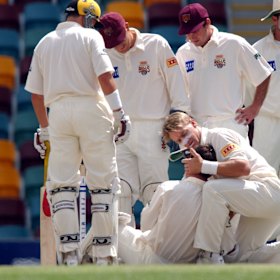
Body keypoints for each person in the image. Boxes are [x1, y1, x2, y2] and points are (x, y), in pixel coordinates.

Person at [25, 0, 130, 266]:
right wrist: (120, 114)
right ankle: (104, 255)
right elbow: (106, 78)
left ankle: (68, 253)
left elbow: (36, 94)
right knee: (103, 183)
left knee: (61, 186)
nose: (94, 26)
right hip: (91, 109)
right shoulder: (90, 36)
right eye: (93, 21)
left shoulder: (44, 42)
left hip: (58, 113)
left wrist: (44, 128)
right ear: (85, 17)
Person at [98, 12, 190, 225]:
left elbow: (176, 84)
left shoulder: (156, 44)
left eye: (120, 39)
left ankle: (157, 248)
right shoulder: (104, 52)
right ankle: (124, 252)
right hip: (120, 131)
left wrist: (179, 122)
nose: (118, 46)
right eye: (112, 42)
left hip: (154, 129)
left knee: (155, 191)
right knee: (121, 192)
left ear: (128, 26)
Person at [162, 112, 280, 264]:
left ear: (193, 123)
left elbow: (243, 168)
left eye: (185, 133)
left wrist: (203, 166)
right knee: (236, 259)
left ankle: (208, 255)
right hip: (256, 205)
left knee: (212, 189)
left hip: (270, 192)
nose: (185, 141)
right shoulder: (195, 155)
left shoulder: (218, 136)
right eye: (179, 140)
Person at [108, 145, 237, 264]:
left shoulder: (168, 187)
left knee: (107, 222)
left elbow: (146, 222)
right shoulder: (215, 201)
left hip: (150, 259)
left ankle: (95, 261)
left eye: (186, 160)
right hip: (185, 266)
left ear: (189, 164)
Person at [176, 3, 273, 139]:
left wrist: (255, 107)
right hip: (199, 127)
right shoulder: (183, 53)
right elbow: (179, 91)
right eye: (187, 32)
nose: (191, 37)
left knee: (236, 161)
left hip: (231, 124)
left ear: (207, 22)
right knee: (201, 162)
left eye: (195, 30)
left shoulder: (234, 43)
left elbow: (264, 73)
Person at [245, 0, 280, 177]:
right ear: (275, 19)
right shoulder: (257, 50)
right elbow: (248, 89)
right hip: (267, 121)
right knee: (265, 175)